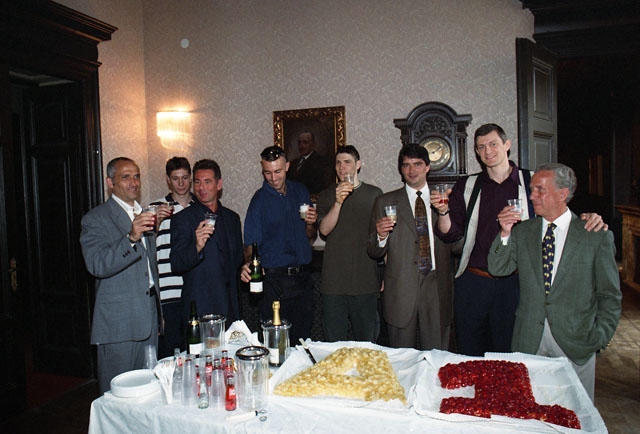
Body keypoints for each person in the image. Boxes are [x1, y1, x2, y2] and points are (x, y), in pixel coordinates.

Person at [431, 123, 606, 356]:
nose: (487, 151)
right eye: (481, 147)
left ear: (507, 145)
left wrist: (588, 218)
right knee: (470, 354)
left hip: (517, 283)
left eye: (493, 144)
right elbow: (450, 233)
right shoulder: (468, 185)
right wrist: (443, 212)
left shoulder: (532, 180)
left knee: (512, 355)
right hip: (474, 281)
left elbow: (560, 213)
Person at [488, 163, 621, 401]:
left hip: (577, 341)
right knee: (530, 408)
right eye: (531, 190)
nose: (532, 196)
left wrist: (599, 338)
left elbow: (610, 295)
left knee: (576, 411)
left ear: (563, 193)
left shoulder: (594, 235)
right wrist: (505, 232)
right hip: (529, 339)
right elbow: (498, 268)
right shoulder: (523, 231)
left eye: (540, 189)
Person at [80, 157, 165, 394]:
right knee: (117, 393)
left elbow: (149, 268)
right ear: (110, 182)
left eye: (136, 176)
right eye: (125, 177)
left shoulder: (145, 214)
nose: (133, 183)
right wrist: (130, 238)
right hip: (118, 322)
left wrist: (158, 311)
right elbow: (97, 265)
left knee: (148, 391)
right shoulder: (95, 218)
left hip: (149, 315)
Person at [367, 144, 457, 350]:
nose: (411, 170)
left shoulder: (444, 199)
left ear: (427, 167)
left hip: (436, 284)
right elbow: (373, 250)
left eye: (417, 164)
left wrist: (445, 213)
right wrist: (381, 236)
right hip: (400, 287)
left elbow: (457, 245)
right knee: (401, 356)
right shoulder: (385, 202)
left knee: (437, 355)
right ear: (400, 169)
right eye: (406, 165)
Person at [241, 146, 317, 343]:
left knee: (303, 343)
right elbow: (250, 247)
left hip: (303, 280)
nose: (273, 178)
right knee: (276, 345)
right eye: (268, 172)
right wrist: (249, 264)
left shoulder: (300, 191)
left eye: (278, 171)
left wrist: (311, 223)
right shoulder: (259, 201)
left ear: (287, 167)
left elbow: (310, 237)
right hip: (274, 283)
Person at [316, 145, 382, 342]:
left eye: (347, 162)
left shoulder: (374, 194)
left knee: (367, 345)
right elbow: (324, 230)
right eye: (338, 163)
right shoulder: (326, 195)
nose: (342, 167)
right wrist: (338, 202)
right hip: (334, 284)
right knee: (334, 346)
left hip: (366, 281)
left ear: (358, 165)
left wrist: (386, 274)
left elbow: (383, 236)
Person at [170, 159, 243, 325]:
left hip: (231, 307)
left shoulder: (232, 218)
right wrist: (197, 246)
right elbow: (176, 263)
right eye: (197, 182)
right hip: (200, 306)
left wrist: (245, 268)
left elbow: (237, 261)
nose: (201, 188)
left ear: (219, 185)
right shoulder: (183, 219)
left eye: (207, 182)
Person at [152, 157, 195, 358]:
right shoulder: (156, 208)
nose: (181, 183)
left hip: (193, 290)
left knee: (195, 349)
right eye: (175, 178)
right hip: (167, 291)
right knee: (169, 351)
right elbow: (145, 250)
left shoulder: (199, 206)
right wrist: (156, 224)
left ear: (191, 177)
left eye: (185, 177)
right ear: (168, 180)